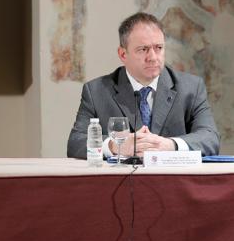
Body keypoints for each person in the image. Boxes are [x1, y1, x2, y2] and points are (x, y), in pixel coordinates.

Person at [67, 12, 219, 159]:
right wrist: (116, 145)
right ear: (123, 54)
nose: (153, 57)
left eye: (158, 48)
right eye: (143, 49)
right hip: (120, 183)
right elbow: (76, 142)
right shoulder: (96, 91)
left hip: (173, 182)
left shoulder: (191, 88)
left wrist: (170, 145)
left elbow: (210, 138)